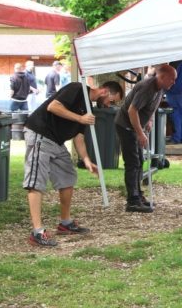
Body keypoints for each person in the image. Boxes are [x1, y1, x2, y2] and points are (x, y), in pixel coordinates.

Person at [23, 80, 124, 247]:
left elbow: (79, 137)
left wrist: (87, 160)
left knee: (68, 177)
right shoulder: (77, 89)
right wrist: (80, 118)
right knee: (36, 181)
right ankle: (37, 232)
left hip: (56, 141)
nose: (109, 105)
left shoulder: (89, 109)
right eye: (111, 101)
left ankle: (65, 223)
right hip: (40, 133)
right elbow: (53, 106)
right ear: (105, 91)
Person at [115, 64, 177, 213]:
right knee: (132, 162)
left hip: (135, 126)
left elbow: (154, 106)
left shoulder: (161, 88)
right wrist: (140, 133)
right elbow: (132, 110)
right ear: (162, 77)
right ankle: (132, 201)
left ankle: (138, 195)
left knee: (139, 161)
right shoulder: (147, 87)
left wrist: (149, 120)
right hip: (126, 125)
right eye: (172, 79)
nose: (174, 82)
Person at [166, 60, 182, 144]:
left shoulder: (174, 63)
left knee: (175, 116)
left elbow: (171, 76)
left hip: (173, 92)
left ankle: (176, 138)